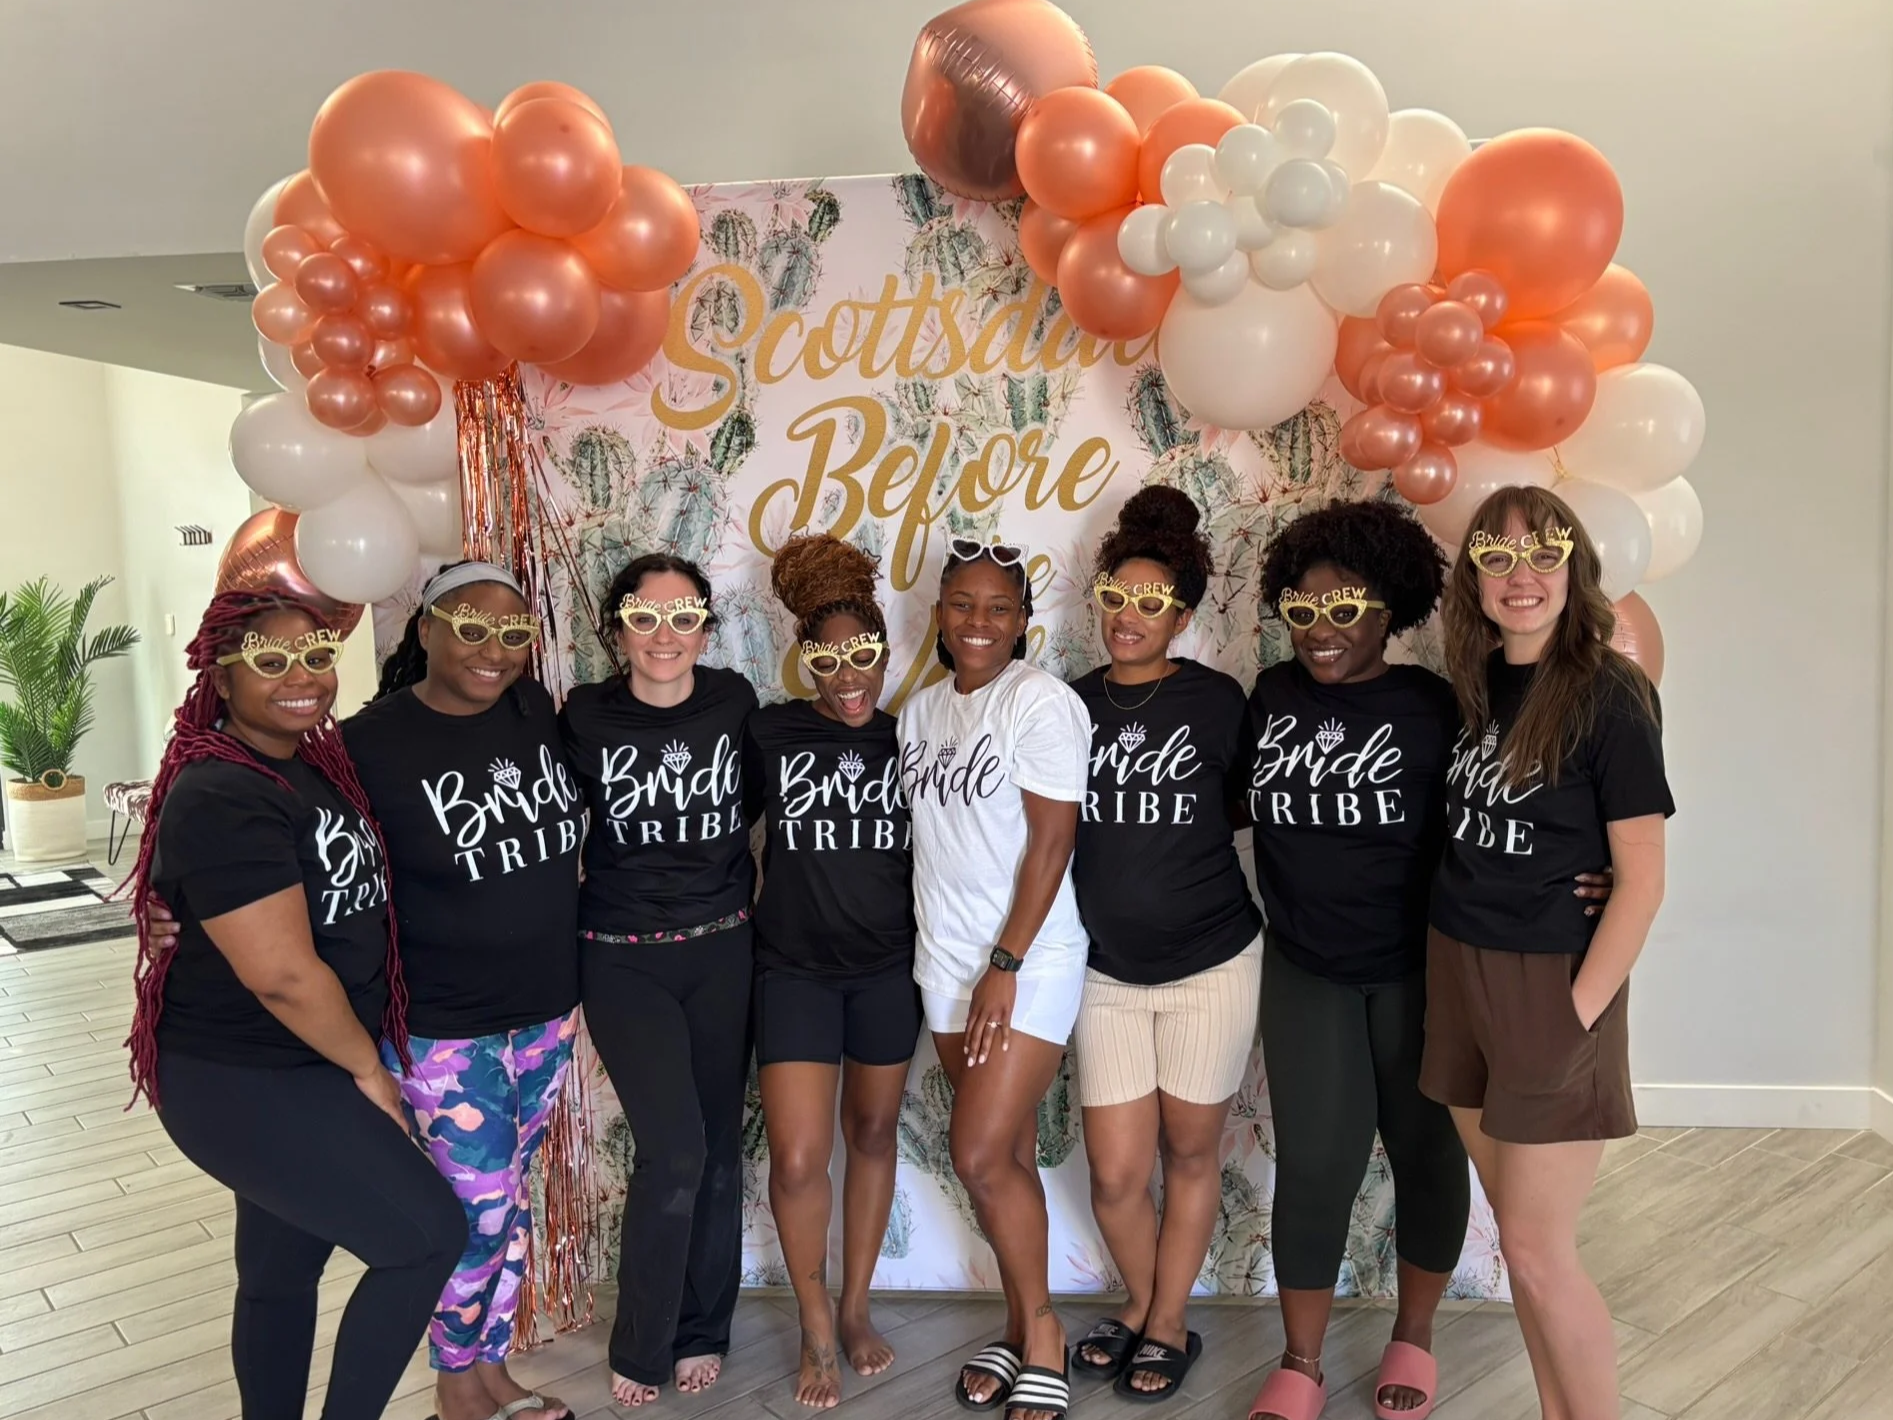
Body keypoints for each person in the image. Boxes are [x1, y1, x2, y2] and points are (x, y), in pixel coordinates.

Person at [1241, 500, 1615, 1420]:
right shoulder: (1269, 698)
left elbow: (1511, 806)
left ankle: (1414, 1335)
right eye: (1302, 609)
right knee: (1314, 1162)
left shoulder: (1438, 705)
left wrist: (1597, 870)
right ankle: (1300, 1359)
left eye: (1345, 608)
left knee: (1425, 1152)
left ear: (1389, 612)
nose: (1321, 629)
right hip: (1305, 966)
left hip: (1423, 967)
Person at [124, 591, 466, 1420]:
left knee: (281, 1273)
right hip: (244, 1075)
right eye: (270, 662)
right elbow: (281, 975)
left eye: (315, 657)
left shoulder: (304, 766)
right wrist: (369, 1073)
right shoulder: (223, 791)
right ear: (221, 676)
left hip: (298, 1063)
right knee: (427, 1239)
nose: (301, 678)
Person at [1422, 487, 1671, 1420]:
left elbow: (1640, 881)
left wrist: (1574, 1016)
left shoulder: (1610, 692)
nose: (1518, 575)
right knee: (1519, 1244)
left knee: (1538, 1250)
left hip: (1550, 987)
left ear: (1575, 567)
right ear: (1473, 578)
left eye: (1541, 554)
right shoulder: (1478, 683)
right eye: (1495, 556)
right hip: (1459, 970)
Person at [344, 561, 585, 1420]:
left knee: (508, 1203)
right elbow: (298, 850)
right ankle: (455, 1387)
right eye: (471, 629)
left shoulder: (531, 710)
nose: (493, 650)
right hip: (441, 1027)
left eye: (512, 633)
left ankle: (491, 1369)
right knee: (475, 1215)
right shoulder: (366, 744)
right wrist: (175, 907)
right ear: (426, 631)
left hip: (545, 1011)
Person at [1063, 488, 1262, 1403]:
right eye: (1116, 596)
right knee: (1114, 1174)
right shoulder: (1069, 706)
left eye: (1151, 602)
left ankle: (1167, 1321)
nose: (1128, 615)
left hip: (1211, 963)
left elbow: (1251, 808)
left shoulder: (1217, 701)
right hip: (1104, 971)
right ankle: (1147, 1306)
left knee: (1188, 1155)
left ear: (1180, 617)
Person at [897, 537, 1092, 1420]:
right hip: (944, 961)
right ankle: (1017, 1328)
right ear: (940, 613)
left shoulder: (1038, 702)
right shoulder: (920, 713)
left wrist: (1004, 965)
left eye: (998, 608)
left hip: (1025, 963)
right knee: (1003, 1155)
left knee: (975, 1155)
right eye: (962, 604)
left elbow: (1052, 844)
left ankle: (1043, 1331)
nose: (978, 621)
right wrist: (967, 966)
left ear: (1021, 622)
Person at [559, 553, 759, 1409]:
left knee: (714, 1153)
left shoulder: (734, 702)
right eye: (645, 618)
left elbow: (755, 805)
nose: (664, 635)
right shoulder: (582, 715)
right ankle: (641, 1342)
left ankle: (702, 1328)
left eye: (683, 618)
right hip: (622, 954)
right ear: (618, 631)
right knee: (673, 1151)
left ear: (706, 630)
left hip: (721, 951)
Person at [743, 535, 917, 1409]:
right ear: (804, 660)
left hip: (889, 971)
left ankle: (854, 1307)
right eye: (828, 659)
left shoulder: (911, 738)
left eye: (863, 655)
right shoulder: (770, 732)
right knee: (799, 1156)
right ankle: (814, 1321)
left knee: (874, 1136)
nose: (849, 677)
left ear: (884, 652)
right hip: (794, 972)